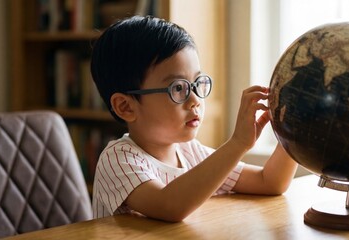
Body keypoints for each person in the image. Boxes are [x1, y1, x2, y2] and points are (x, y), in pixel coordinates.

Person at [90, 15, 298, 222]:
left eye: (197, 83)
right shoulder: (117, 159)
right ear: (126, 107)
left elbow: (270, 182)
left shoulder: (191, 152)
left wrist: (295, 127)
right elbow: (169, 206)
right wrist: (237, 143)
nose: (195, 99)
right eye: (178, 88)